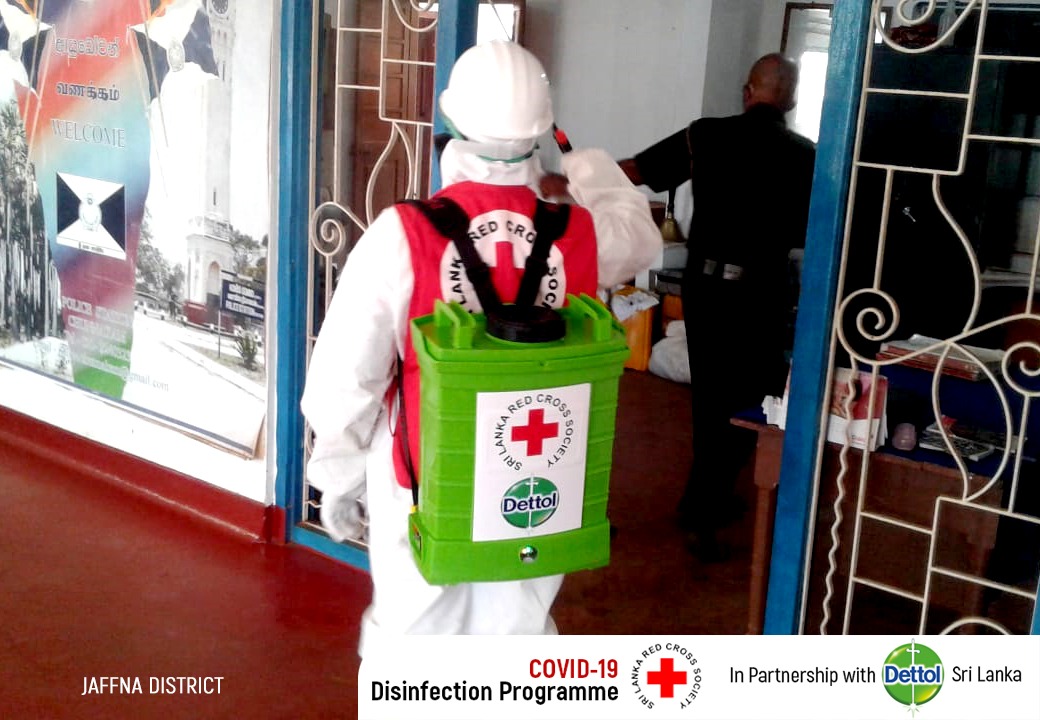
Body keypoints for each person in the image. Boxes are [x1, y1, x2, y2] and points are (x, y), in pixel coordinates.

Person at [300, 40, 660, 654]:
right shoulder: (582, 233)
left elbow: (347, 373)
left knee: (412, 644)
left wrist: (337, 475)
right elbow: (642, 237)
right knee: (516, 640)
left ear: (451, 119)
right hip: (538, 476)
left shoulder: (402, 235)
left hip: (422, 478)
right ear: (542, 128)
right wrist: (588, 166)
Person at [618, 53, 817, 561]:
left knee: (711, 400)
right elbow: (808, 231)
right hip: (762, 295)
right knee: (755, 399)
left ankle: (705, 502)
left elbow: (636, 171)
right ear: (791, 100)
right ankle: (702, 510)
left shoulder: (704, 135)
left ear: (748, 92)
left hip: (706, 291)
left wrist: (579, 177)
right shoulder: (807, 156)